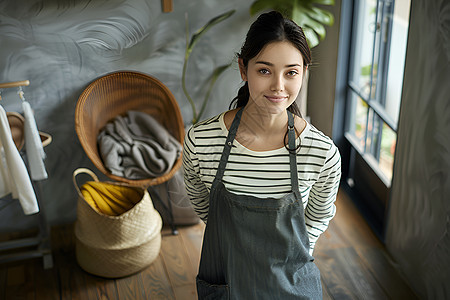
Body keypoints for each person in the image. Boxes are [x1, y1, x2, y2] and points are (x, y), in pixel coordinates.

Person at [182, 10, 341, 299]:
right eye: (264, 70)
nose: (278, 86)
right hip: (226, 280)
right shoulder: (200, 141)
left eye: (291, 72)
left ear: (304, 72)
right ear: (244, 69)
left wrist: (288, 260)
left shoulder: (321, 152)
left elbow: (318, 218)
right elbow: (203, 205)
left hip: (292, 283)